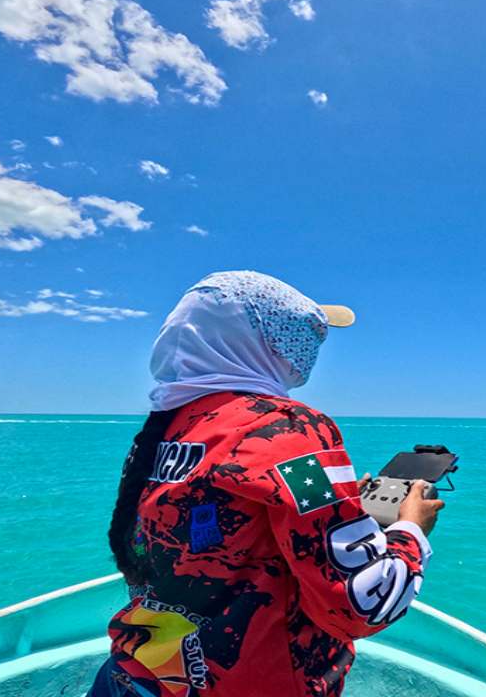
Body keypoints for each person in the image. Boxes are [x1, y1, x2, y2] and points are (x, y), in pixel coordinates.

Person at [91, 271, 444, 697]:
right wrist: (411, 529)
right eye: (310, 332)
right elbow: (358, 608)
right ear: (271, 341)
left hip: (135, 677)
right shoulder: (286, 429)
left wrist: (335, 505)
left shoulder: (166, 429)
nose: (314, 346)